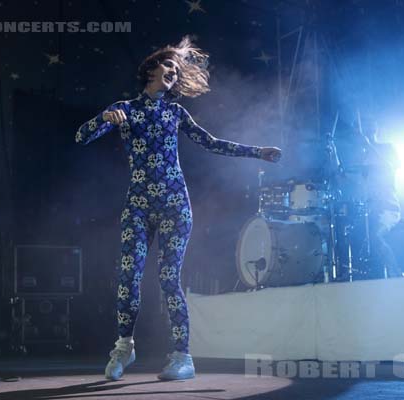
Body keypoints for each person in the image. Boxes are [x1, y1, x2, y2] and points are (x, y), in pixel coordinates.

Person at [75, 36, 282, 381]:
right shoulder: (124, 107)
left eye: (176, 68)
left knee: (169, 279)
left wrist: (256, 151)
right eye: (167, 65)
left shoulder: (175, 112)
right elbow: (81, 137)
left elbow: (211, 143)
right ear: (150, 69)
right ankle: (124, 346)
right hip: (138, 204)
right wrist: (104, 120)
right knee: (129, 277)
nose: (173, 71)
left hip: (174, 204)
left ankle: (182, 357)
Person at [358, 120, 404, 279]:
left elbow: (391, 166)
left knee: (375, 236)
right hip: (371, 210)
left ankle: (396, 273)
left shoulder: (387, 148)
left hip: (388, 207)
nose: (367, 132)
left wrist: (370, 146)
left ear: (375, 129)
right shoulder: (363, 155)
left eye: (369, 128)